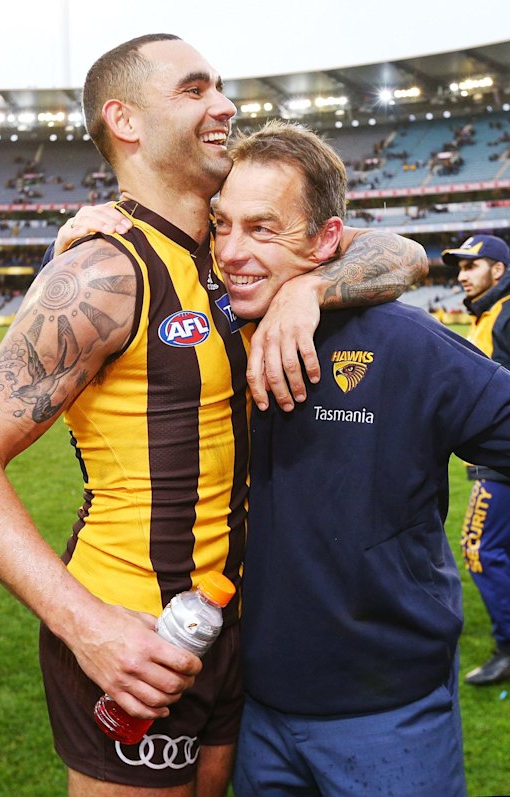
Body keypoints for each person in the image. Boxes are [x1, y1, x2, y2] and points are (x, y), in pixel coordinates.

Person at [0, 35, 426, 797]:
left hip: (228, 623)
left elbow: (403, 253)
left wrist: (309, 290)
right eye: (195, 90)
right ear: (124, 121)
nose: (224, 104)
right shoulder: (99, 270)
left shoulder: (237, 254)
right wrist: (85, 625)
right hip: (130, 632)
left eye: (221, 87)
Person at [203, 120, 510, 796]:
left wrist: (310, 291)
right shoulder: (209, 338)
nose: (232, 251)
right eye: (223, 225)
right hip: (257, 709)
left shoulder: (403, 342)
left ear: (324, 241)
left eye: (262, 229)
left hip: (390, 714)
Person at [441, 234, 510, 685]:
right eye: (459, 268)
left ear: (498, 271)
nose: (462, 276)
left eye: (472, 266)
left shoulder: (506, 315)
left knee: (479, 546)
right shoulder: (489, 315)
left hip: (502, 466)